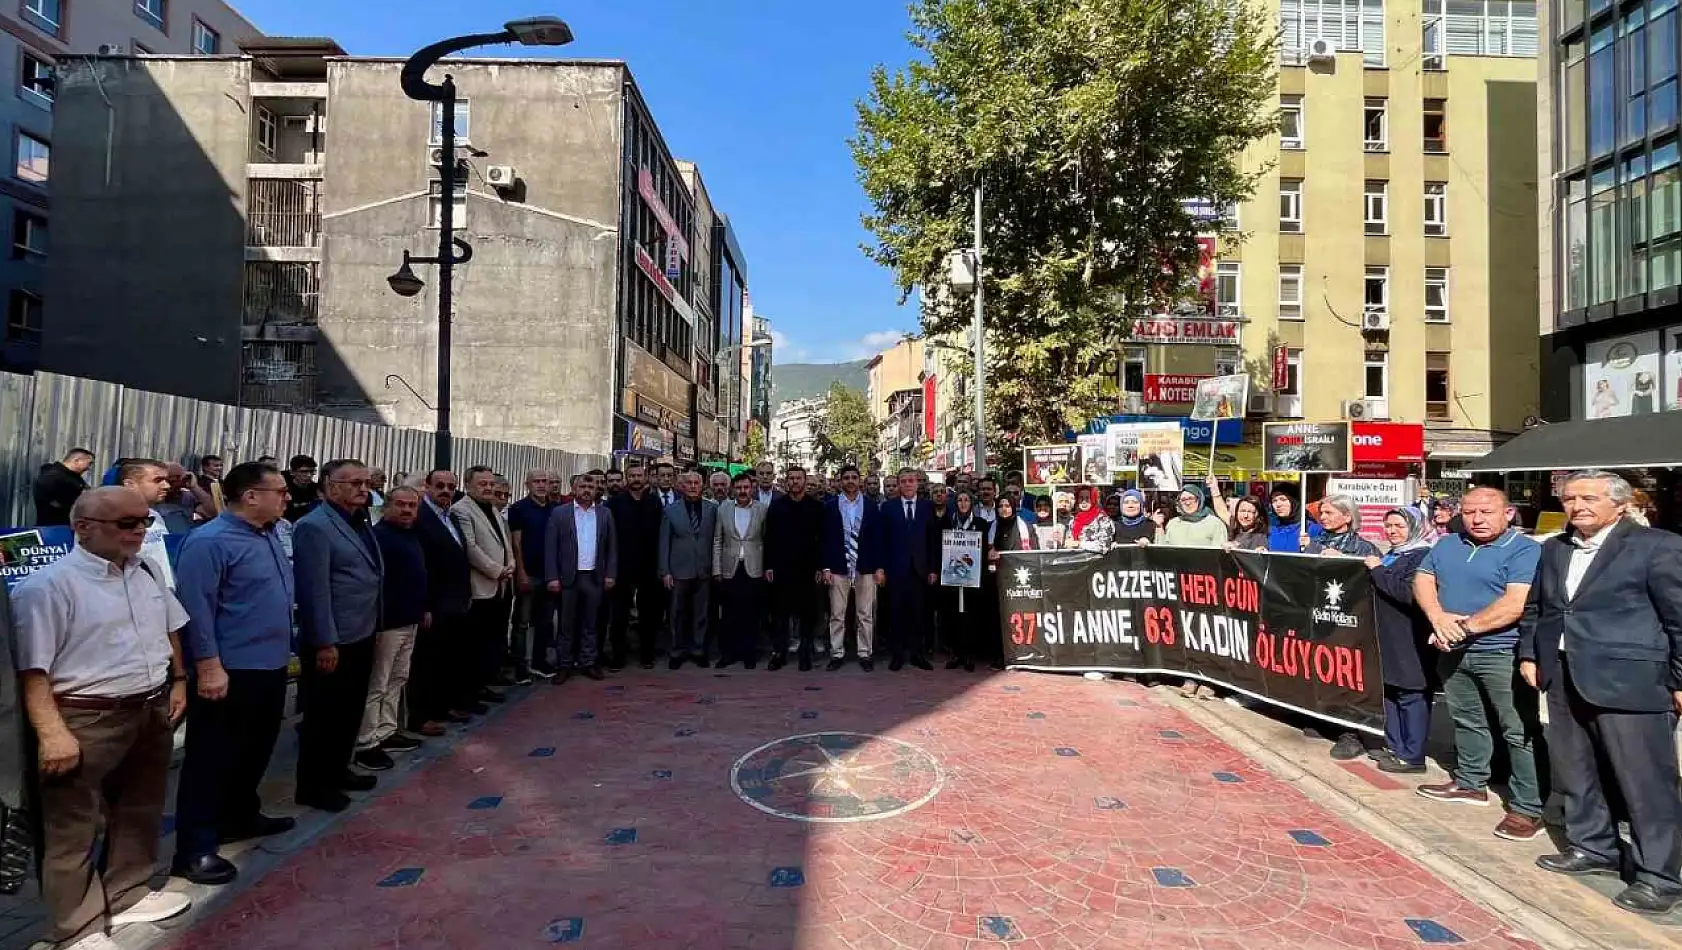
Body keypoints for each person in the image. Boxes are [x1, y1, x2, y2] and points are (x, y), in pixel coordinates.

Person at [14, 487, 193, 947]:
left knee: (139, 809)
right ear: (84, 528)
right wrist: (52, 733)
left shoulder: (146, 570)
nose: (140, 532)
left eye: (145, 522)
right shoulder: (48, 588)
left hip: (149, 707)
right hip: (86, 717)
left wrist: (178, 681)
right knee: (71, 828)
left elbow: (169, 627)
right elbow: (33, 669)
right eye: (127, 524)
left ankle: (128, 892)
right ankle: (78, 927)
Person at [1521, 471, 1682, 915]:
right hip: (1564, 674)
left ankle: (1659, 876)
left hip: (1632, 682)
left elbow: (1678, 617)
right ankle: (1593, 847)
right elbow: (1540, 608)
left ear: (1621, 503)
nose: (1578, 506)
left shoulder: (1658, 547)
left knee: (1645, 782)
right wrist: (1530, 654)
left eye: (1589, 498)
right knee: (1577, 772)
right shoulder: (1554, 548)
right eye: (1570, 498)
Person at [171, 462, 297, 887]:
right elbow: (196, 609)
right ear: (250, 496)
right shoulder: (208, 542)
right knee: (211, 757)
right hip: (230, 670)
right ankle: (195, 848)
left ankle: (240, 817)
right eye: (279, 491)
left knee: (256, 748)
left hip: (271, 663)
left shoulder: (269, 535)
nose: (287, 497)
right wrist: (208, 666)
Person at [1414, 486, 1545, 841]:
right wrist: (1437, 617)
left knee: (1518, 729)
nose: (1477, 518)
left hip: (1501, 650)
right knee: (1467, 718)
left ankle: (1527, 807)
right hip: (1452, 649)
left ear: (1508, 513)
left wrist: (1460, 627)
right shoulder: (1448, 543)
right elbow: (1424, 579)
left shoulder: (1525, 550)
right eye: (1470, 511)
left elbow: (1515, 602)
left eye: (1487, 511)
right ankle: (1471, 782)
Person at [292, 459, 385, 813]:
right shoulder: (314, 526)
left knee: (349, 711)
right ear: (331, 487)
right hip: (333, 640)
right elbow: (314, 590)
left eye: (366, 483)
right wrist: (325, 642)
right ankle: (315, 786)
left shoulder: (359, 521)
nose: (364, 489)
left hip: (361, 631)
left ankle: (338, 770)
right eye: (354, 483)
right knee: (324, 715)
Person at [353, 486, 429, 773]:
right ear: (386, 507)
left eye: (412, 505)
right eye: (401, 504)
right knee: (378, 683)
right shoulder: (379, 537)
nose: (407, 510)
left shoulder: (411, 535)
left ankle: (387, 731)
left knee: (398, 677)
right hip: (387, 623)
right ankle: (366, 742)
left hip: (409, 619)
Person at [1361, 508, 1437, 773]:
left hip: (1409, 637)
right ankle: (1395, 747)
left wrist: (1379, 571)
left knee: (1411, 694)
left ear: (1415, 527)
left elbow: (1407, 593)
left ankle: (1413, 755)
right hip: (1386, 636)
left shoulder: (1423, 556)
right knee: (1390, 692)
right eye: (1388, 526)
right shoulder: (1393, 555)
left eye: (1399, 526)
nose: (1392, 531)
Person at [412, 470, 475, 730]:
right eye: (440, 485)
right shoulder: (420, 517)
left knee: (448, 657)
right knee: (427, 660)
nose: (446, 490)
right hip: (434, 602)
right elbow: (420, 565)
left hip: (455, 600)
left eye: (451, 486)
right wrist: (424, 604)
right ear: (427, 486)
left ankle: (444, 706)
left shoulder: (450, 517)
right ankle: (423, 715)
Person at [453, 467, 516, 712]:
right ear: (468, 485)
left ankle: (483, 685)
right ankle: (469, 694)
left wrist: (510, 564)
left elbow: (505, 541)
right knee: (473, 645)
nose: (488, 488)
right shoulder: (462, 510)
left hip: (500, 586)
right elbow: (470, 547)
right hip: (480, 588)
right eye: (482, 484)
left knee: (490, 641)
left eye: (491, 484)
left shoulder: (493, 510)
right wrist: (495, 570)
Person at [546, 473, 617, 681]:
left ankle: (589, 662)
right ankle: (564, 664)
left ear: (596, 490)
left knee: (591, 622)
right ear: (574, 489)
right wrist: (552, 577)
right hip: (568, 577)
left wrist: (611, 574)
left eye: (591, 486)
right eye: (582, 486)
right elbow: (550, 548)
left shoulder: (605, 514)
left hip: (594, 576)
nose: (587, 490)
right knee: (566, 624)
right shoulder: (560, 514)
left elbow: (612, 547)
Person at [605, 462, 666, 670]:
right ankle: (618, 656)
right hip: (622, 566)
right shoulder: (614, 504)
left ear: (646, 477)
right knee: (619, 614)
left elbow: (660, 534)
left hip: (649, 565)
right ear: (626, 479)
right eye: (632, 476)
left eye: (639, 475)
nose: (636, 479)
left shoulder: (654, 502)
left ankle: (646, 655)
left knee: (648, 613)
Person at [823, 465, 884, 671]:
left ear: (860, 480)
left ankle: (865, 653)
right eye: (846, 477)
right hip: (839, 566)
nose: (850, 481)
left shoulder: (871, 505)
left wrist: (879, 567)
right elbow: (826, 539)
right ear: (840, 481)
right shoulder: (830, 506)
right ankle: (837, 653)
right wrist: (826, 568)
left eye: (854, 477)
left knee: (865, 613)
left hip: (865, 567)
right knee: (837, 614)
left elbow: (878, 539)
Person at [765, 465, 825, 670]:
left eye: (798, 478)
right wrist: (769, 566)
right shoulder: (777, 506)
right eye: (791, 478)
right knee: (780, 613)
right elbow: (769, 538)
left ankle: (805, 652)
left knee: (808, 613)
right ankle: (779, 652)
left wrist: (819, 567)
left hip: (808, 569)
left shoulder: (816, 507)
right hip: (782, 568)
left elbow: (821, 540)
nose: (795, 482)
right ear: (786, 481)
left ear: (805, 481)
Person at [880, 469, 938, 672]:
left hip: (920, 570)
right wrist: (882, 569)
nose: (907, 485)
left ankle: (917, 654)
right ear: (898, 484)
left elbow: (932, 540)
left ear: (917, 484)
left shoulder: (927, 507)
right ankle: (897, 655)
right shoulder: (888, 507)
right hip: (896, 570)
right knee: (896, 614)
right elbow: (883, 541)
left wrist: (932, 568)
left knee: (918, 614)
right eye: (903, 481)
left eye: (910, 481)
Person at [660, 470, 717, 669]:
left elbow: (715, 540)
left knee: (701, 612)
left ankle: (698, 649)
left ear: (702, 486)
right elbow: (664, 542)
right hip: (678, 569)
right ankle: (677, 650)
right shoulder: (670, 510)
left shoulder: (712, 509)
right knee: (677, 613)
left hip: (704, 569)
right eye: (689, 483)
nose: (693, 486)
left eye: (696, 483)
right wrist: (665, 571)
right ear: (681, 486)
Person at [507, 470, 559, 681]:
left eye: (545, 481)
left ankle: (539, 661)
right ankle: (520, 666)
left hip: (550, 575)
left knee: (545, 622)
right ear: (527, 484)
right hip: (529, 573)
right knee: (522, 622)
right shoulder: (519, 509)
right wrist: (521, 573)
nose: (541, 485)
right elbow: (516, 543)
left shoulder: (556, 510)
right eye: (536, 481)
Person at [714, 472, 769, 668]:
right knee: (729, 614)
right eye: (738, 488)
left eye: (746, 487)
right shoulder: (724, 508)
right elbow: (718, 540)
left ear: (751, 488)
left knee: (751, 614)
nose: (742, 491)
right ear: (733, 489)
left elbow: (765, 539)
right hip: (730, 567)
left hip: (754, 568)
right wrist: (717, 569)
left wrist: (765, 568)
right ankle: (728, 654)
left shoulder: (762, 509)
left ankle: (749, 654)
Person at [940, 489, 990, 671]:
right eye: (959, 500)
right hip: (952, 577)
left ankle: (969, 654)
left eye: (966, 500)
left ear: (971, 503)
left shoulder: (980, 524)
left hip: (972, 578)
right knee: (953, 616)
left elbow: (984, 550)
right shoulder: (947, 522)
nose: (962, 503)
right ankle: (955, 653)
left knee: (971, 616)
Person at [118, 458, 176, 590]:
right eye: (157, 480)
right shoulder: (111, 521)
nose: (167, 486)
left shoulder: (155, 516)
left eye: (167, 480)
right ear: (130, 484)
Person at [33, 448, 94, 526]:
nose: (89, 467)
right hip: (52, 527)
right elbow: (48, 500)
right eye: (89, 463)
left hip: (66, 525)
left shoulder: (74, 477)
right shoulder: (51, 476)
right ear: (77, 460)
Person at [1309, 495, 1380, 557]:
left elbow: (1378, 571)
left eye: (1328, 513)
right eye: (1321, 513)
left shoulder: (1364, 548)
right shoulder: (1314, 543)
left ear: (1347, 517)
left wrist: (1343, 558)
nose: (1322, 517)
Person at [1161, 484, 1228, 548]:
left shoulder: (1215, 524)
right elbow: (1164, 550)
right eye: (1183, 500)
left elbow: (1219, 553)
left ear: (1199, 500)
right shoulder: (1173, 523)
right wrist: (1159, 527)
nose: (1187, 503)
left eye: (1191, 498)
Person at [1266, 487, 1318, 552]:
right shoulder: (1271, 528)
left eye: (1283, 499)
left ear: (1294, 501)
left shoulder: (1310, 527)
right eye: (1274, 501)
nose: (1278, 505)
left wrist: (1311, 546)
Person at [283, 454, 320, 522]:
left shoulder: (317, 490)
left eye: (311, 471)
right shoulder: (284, 491)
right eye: (303, 472)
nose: (309, 475)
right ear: (292, 472)